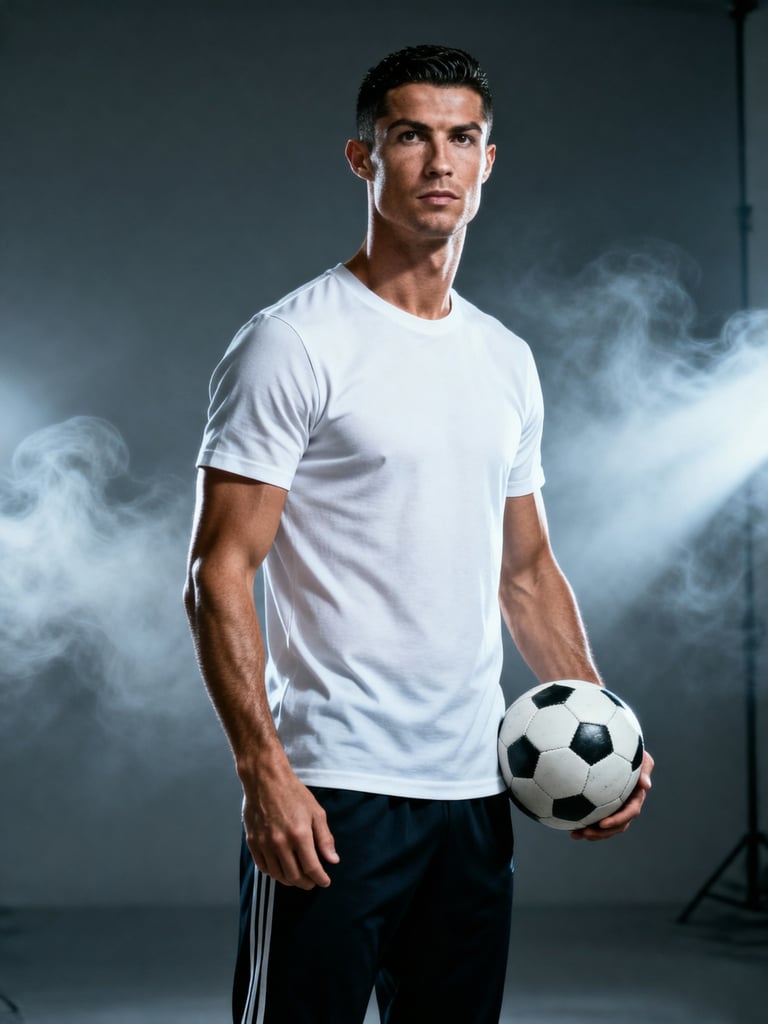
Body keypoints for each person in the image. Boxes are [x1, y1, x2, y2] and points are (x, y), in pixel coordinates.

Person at [184, 44, 654, 1024]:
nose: (439, 162)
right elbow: (218, 571)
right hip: (335, 788)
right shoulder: (294, 342)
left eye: (461, 137)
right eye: (411, 136)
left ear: (488, 161)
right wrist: (264, 773)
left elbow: (524, 570)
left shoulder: (504, 359)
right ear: (364, 157)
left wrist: (602, 729)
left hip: (476, 789)